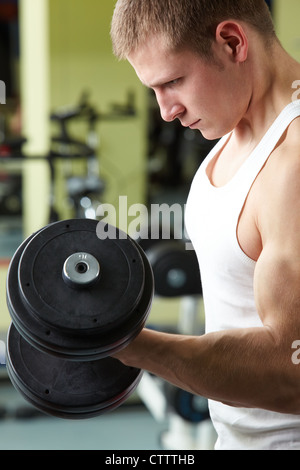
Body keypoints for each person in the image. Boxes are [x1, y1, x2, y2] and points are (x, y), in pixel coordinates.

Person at [110, 0, 300, 450]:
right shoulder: (231, 136)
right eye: (153, 90)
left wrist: (127, 346)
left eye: (173, 82)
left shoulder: (293, 164)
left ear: (232, 43)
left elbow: (292, 372)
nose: (165, 112)